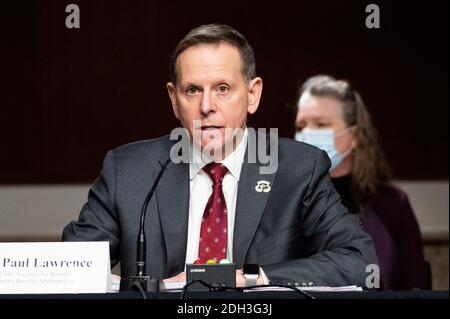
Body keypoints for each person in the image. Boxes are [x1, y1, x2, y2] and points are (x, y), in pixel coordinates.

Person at [63, 24, 377, 288]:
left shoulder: (298, 169)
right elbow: (69, 270)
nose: (207, 106)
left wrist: (252, 278)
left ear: (253, 94)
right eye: (192, 90)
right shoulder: (129, 171)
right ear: (174, 100)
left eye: (223, 88)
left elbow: (358, 261)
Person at [294, 75, 429, 289]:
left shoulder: (392, 204)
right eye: (301, 126)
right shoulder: (284, 201)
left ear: (353, 135)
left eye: (321, 124)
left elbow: (415, 286)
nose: (307, 133)